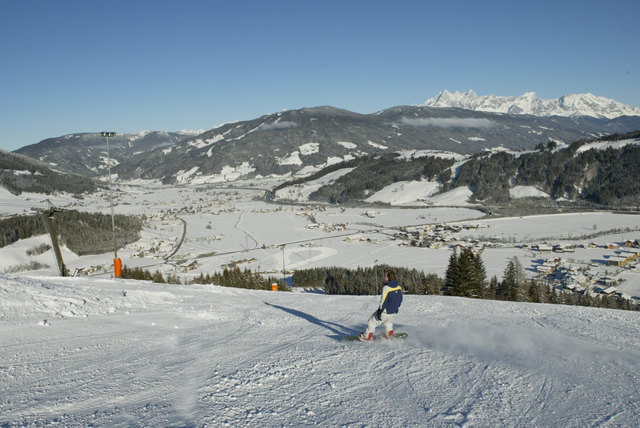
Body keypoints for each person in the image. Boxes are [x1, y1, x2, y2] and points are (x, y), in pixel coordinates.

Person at [359, 269, 403, 340]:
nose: (384, 277)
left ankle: (367, 336)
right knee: (388, 321)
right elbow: (400, 299)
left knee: (371, 321)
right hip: (394, 311)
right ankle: (389, 333)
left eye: (385, 275)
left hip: (385, 311)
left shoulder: (386, 288)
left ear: (389, 277)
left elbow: (383, 301)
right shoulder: (398, 287)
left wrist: (380, 311)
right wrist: (396, 308)